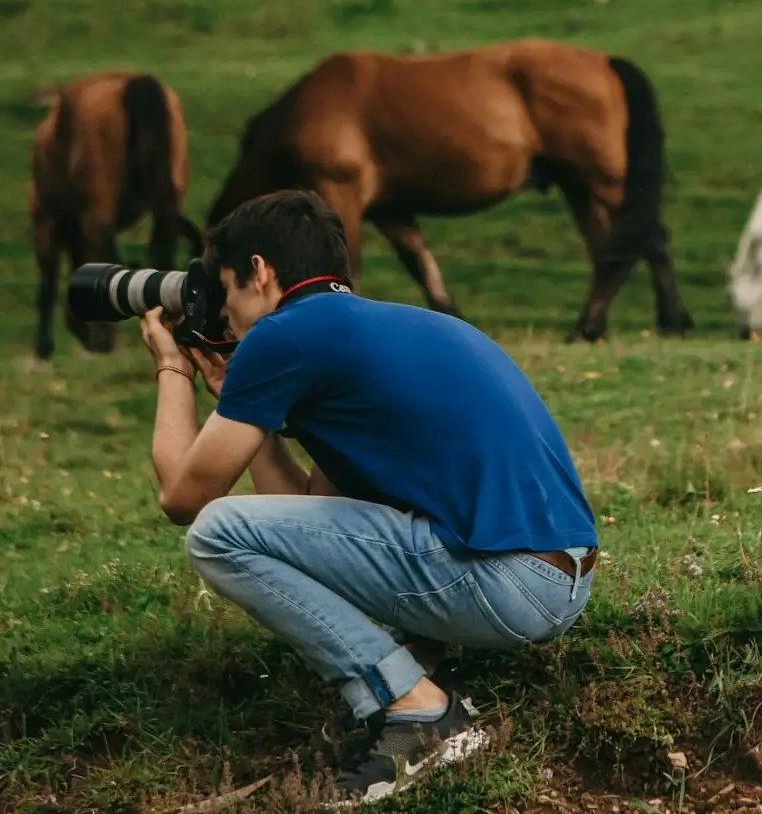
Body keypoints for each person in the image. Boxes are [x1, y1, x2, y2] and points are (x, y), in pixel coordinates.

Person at [140, 188, 598, 805]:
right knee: (252, 528)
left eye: (226, 290)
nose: (225, 316)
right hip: (560, 578)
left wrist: (172, 367)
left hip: (507, 582)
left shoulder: (284, 336)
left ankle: (419, 710)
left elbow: (183, 498)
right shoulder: (391, 326)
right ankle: (420, 664)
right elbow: (306, 513)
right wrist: (245, 406)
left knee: (217, 533)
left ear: (259, 271)